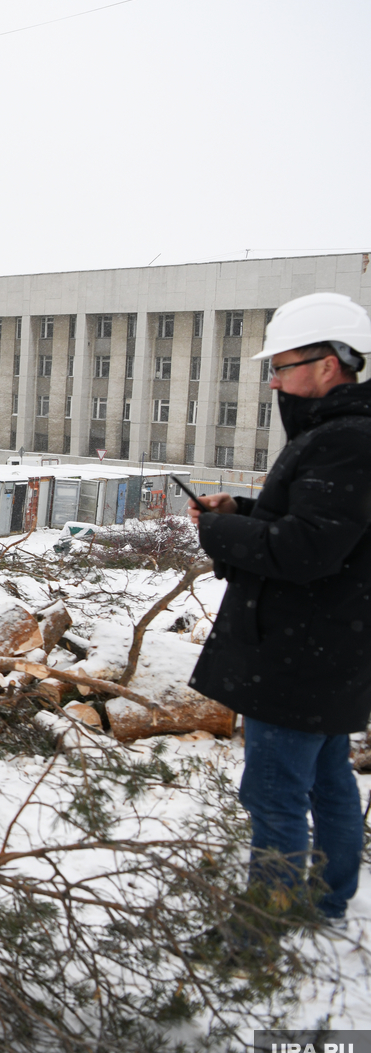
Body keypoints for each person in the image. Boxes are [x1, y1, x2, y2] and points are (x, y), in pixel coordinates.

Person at [188, 292, 371, 942]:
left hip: (300, 659)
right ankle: (326, 901)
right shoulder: (342, 435)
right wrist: (240, 508)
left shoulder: (347, 440)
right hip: (330, 654)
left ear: (329, 365)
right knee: (328, 781)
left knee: (273, 794)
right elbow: (320, 525)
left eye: (284, 365)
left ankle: (260, 929)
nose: (274, 380)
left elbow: (306, 549)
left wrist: (218, 532)